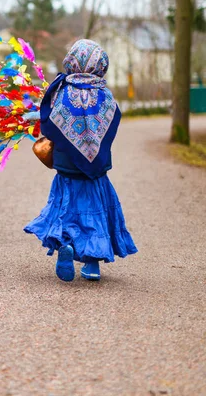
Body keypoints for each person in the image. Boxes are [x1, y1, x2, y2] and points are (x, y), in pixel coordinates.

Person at [24, 39, 137, 281]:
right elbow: (113, 122)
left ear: (72, 61)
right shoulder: (104, 95)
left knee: (65, 209)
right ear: (100, 64)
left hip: (66, 168)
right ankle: (91, 266)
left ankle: (66, 244)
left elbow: (50, 124)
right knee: (94, 213)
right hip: (95, 170)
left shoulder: (62, 91)